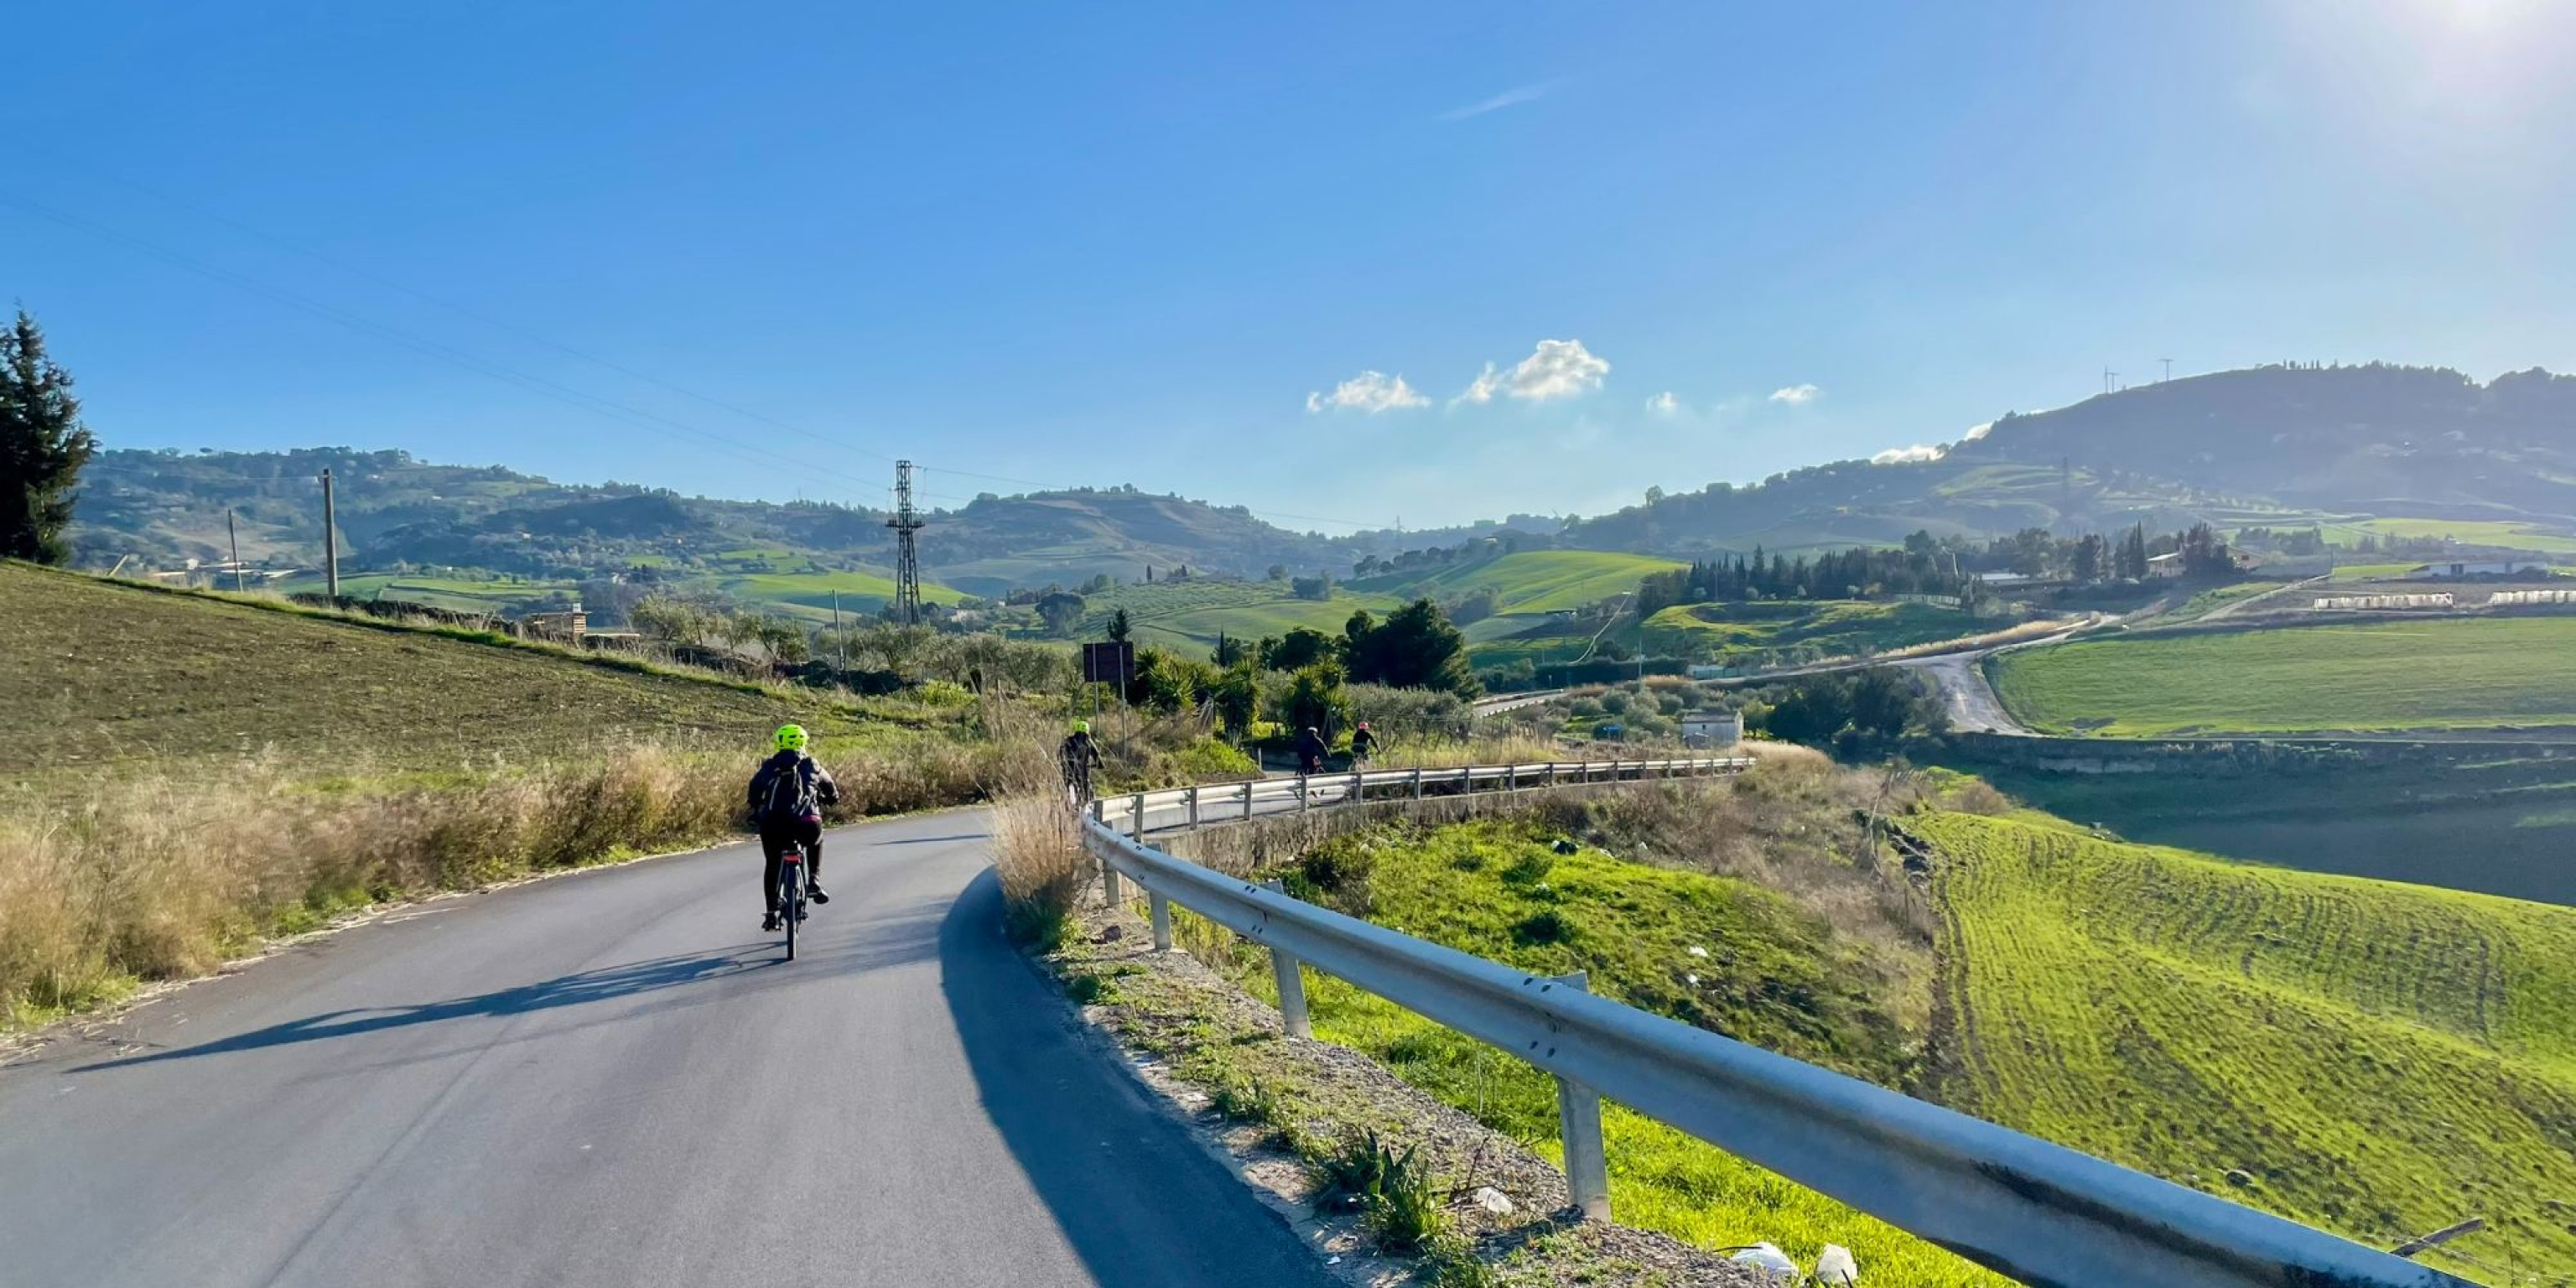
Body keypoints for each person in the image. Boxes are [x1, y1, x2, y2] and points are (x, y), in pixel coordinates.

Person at [750, 724, 839, 932]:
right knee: (816, 841)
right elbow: (831, 789)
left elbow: (754, 789)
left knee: (772, 864)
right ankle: (814, 882)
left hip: (774, 824)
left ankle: (771, 915)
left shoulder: (770, 765)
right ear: (804, 742)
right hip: (807, 822)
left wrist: (756, 808)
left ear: (778, 742)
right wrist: (830, 799)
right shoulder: (811, 763)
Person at [1059, 719, 1104, 806]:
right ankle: (1087, 803)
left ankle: (1067, 804)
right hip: (1082, 771)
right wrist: (1100, 765)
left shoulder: (1067, 740)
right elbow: (1096, 755)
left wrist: (1063, 763)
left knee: (1067, 786)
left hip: (1067, 771)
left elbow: (1060, 753)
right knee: (1086, 784)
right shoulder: (1088, 742)